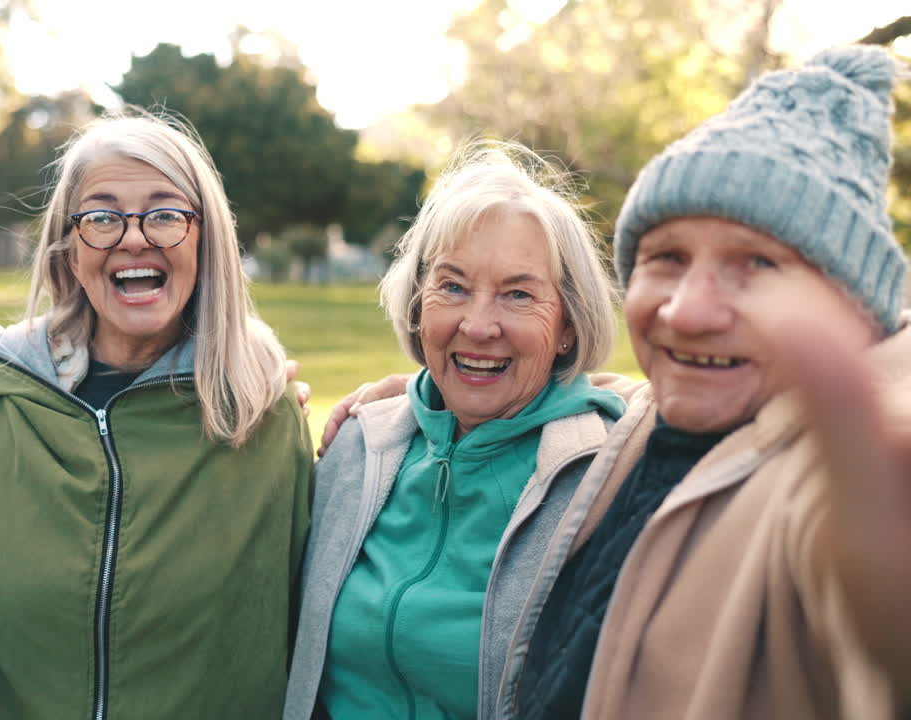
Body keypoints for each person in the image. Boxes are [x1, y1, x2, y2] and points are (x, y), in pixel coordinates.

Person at [327, 46, 909, 719]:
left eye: (755, 263)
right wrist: (420, 394)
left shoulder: (836, 483)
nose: (686, 310)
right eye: (667, 257)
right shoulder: (638, 431)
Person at [0, 111, 314, 719]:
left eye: (165, 214)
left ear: (206, 242)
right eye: (101, 216)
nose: (134, 238)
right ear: (70, 250)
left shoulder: (264, 414)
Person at [282, 141, 626, 720]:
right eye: (453, 286)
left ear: (567, 325)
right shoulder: (358, 449)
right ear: (419, 304)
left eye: (518, 294)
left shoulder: (604, 479)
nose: (477, 324)